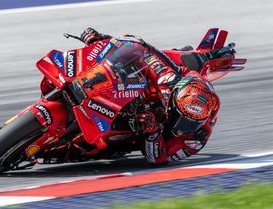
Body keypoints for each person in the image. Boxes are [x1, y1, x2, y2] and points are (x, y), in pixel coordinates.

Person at [80, 28, 220, 165]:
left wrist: (153, 132)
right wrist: (102, 40)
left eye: (192, 124)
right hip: (139, 91)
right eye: (182, 119)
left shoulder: (196, 139)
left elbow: (160, 159)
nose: (182, 128)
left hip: (142, 132)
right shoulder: (168, 79)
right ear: (173, 101)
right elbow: (140, 47)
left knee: (106, 146)